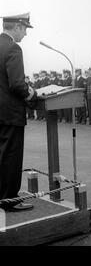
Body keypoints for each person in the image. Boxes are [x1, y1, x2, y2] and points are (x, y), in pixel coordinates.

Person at [0, 12, 36, 211]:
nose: (25, 34)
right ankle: (9, 201)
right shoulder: (13, 48)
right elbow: (16, 85)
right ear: (16, 27)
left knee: (1, 156)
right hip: (10, 114)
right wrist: (32, 94)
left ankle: (1, 196)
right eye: (25, 29)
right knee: (11, 158)